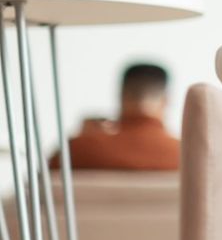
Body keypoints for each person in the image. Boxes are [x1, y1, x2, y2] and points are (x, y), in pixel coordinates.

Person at [51, 63, 180, 171]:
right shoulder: (185, 156)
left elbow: (45, 184)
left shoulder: (76, 151)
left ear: (121, 96)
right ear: (166, 101)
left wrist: (83, 137)